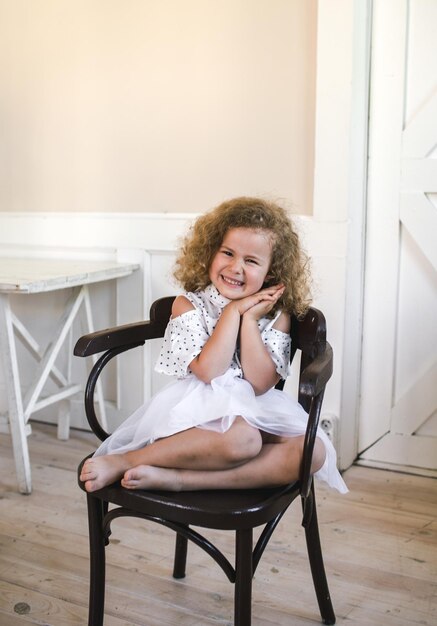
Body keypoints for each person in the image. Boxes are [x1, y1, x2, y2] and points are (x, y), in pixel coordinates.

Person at [80, 197, 347, 494]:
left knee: (313, 452)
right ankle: (127, 459)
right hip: (198, 412)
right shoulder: (189, 305)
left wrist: (250, 321)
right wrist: (233, 313)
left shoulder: (276, 317)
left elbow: (258, 385)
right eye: (228, 253)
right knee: (243, 439)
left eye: (251, 260)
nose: (236, 267)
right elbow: (209, 371)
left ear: (271, 273)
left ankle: (181, 481)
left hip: (258, 408)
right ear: (210, 254)